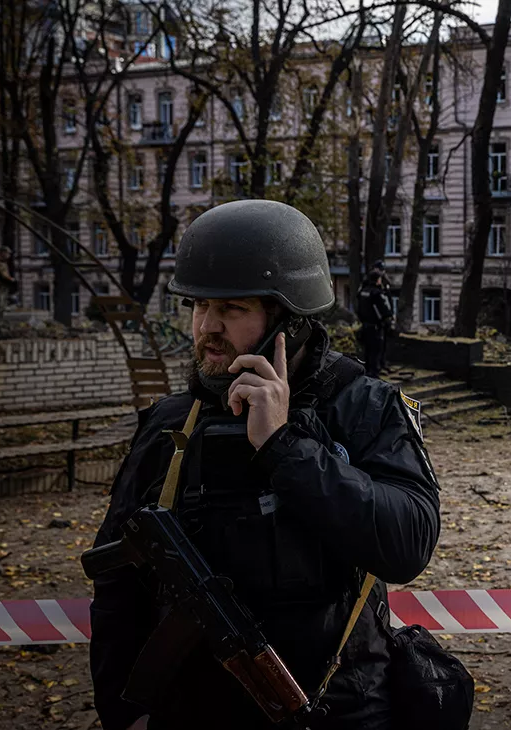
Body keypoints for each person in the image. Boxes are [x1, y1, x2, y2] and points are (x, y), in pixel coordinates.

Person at [89, 200, 441, 730]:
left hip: (340, 707)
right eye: (197, 307)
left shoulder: (364, 408)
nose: (206, 327)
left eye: (230, 310)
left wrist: (285, 447)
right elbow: (117, 586)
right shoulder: (169, 423)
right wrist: (122, 714)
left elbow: (407, 542)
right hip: (190, 713)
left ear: (290, 323)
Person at [356, 270, 393, 378]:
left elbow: (359, 309)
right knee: (375, 353)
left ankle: (367, 374)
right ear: (378, 280)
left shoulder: (363, 291)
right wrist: (387, 322)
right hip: (376, 328)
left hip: (365, 326)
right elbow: (385, 311)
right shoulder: (377, 293)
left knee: (367, 352)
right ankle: (373, 375)